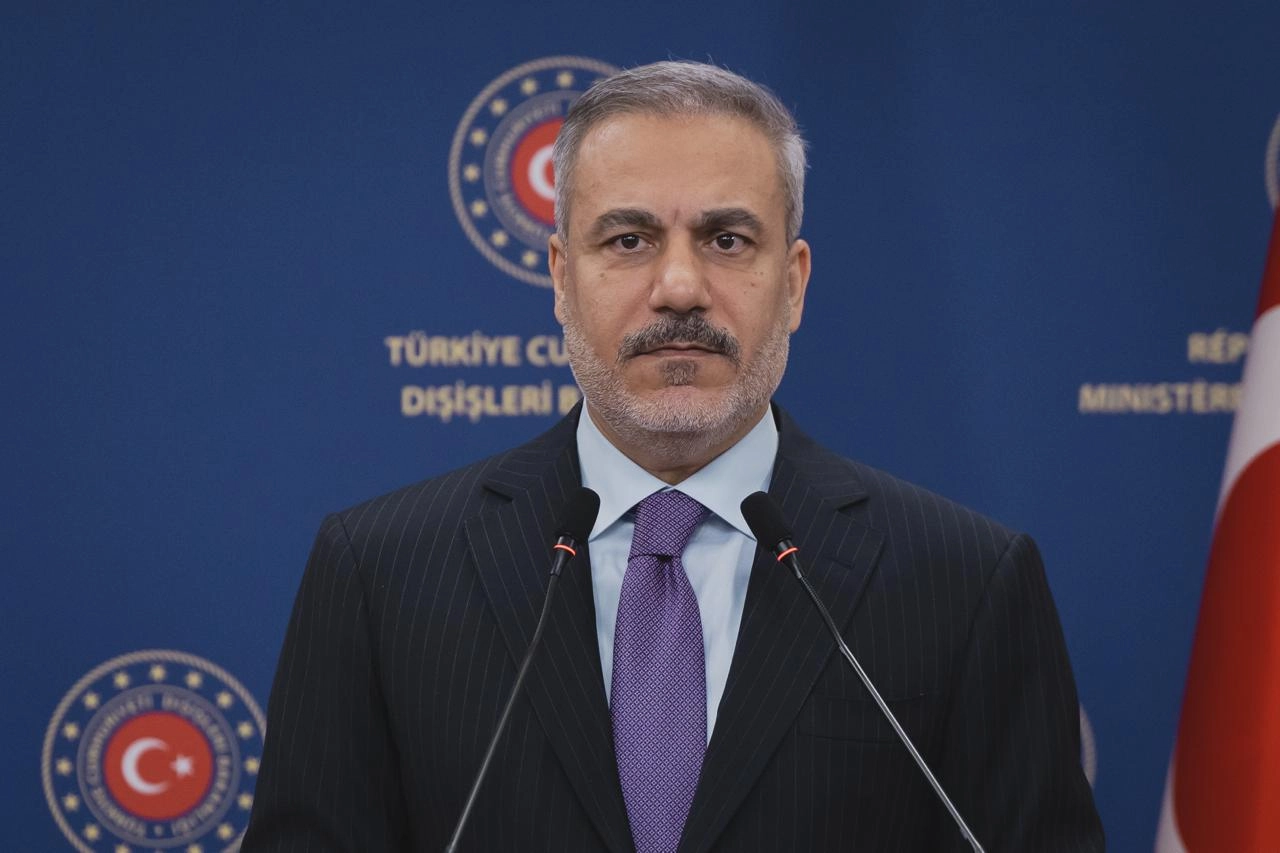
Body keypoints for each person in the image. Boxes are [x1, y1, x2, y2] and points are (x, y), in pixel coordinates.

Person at [243, 61, 1104, 852]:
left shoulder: (967, 582)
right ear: (560, 277)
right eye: (629, 239)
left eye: (727, 239)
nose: (681, 287)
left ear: (794, 282)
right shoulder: (380, 574)